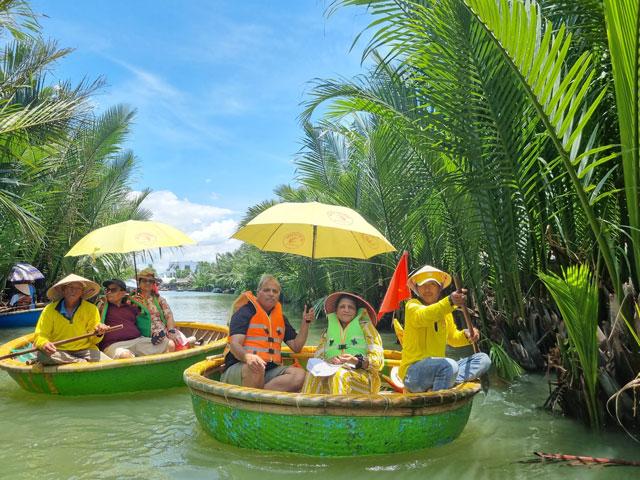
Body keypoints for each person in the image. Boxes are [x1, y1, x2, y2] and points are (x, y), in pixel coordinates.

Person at [399, 265, 491, 392]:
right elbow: (424, 315)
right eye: (422, 285)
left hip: (440, 368)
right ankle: (438, 395)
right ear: (417, 289)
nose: (427, 288)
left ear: (439, 288)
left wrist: (467, 335)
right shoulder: (412, 306)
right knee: (449, 366)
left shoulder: (445, 313)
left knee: (483, 359)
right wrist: (451, 302)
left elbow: (453, 338)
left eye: (432, 284)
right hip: (413, 373)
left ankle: (443, 381)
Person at [222, 274, 312, 391]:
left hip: (268, 371)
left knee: (299, 375)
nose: (271, 294)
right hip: (240, 367)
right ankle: (257, 398)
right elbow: (234, 344)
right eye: (266, 290)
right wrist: (248, 357)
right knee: (256, 368)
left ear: (279, 295)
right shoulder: (244, 312)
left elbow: (296, 346)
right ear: (258, 292)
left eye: (275, 291)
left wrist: (306, 322)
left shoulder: (281, 318)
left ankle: (258, 395)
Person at [302, 291, 384, 395]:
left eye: (350, 307)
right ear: (336, 311)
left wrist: (356, 361)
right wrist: (328, 359)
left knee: (340, 375)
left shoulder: (367, 328)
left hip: (364, 378)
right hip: (331, 371)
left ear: (356, 311)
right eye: (342, 307)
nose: (346, 310)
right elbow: (318, 354)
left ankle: (339, 410)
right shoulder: (328, 331)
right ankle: (309, 410)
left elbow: (379, 362)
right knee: (311, 375)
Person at [34, 274, 111, 365]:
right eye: (70, 287)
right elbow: (40, 336)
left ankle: (77, 362)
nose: (73, 291)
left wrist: (99, 333)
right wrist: (44, 343)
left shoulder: (91, 309)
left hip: (86, 351)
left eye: (78, 288)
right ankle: (79, 362)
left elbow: (94, 340)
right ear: (63, 290)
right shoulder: (49, 309)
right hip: (59, 351)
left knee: (109, 363)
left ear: (82, 292)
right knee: (42, 356)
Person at [96, 279, 173, 358]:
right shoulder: (101, 307)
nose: (108, 293)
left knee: (169, 344)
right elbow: (94, 324)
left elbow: (146, 321)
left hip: (138, 340)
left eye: (113, 290)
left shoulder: (132, 307)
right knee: (125, 355)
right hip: (114, 345)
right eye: (107, 290)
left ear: (123, 293)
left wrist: (154, 334)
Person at [130, 268, 176, 353]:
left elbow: (169, 315)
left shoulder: (159, 299)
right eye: (144, 280)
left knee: (175, 340)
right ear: (139, 283)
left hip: (163, 331)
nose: (147, 283)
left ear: (153, 284)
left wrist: (171, 331)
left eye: (150, 281)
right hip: (144, 334)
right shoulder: (132, 300)